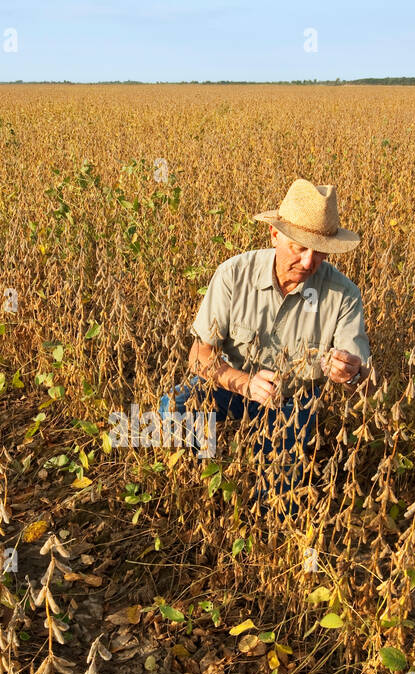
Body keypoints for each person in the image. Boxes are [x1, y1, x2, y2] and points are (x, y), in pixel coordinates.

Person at [159, 178, 372, 514]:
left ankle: (258, 513)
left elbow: (363, 380)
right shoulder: (234, 275)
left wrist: (350, 372)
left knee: (278, 497)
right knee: (171, 413)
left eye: (318, 252)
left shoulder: (343, 295)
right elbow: (199, 356)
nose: (307, 262)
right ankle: (208, 478)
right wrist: (244, 383)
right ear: (274, 236)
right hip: (232, 385)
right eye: (299, 247)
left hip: (293, 402)